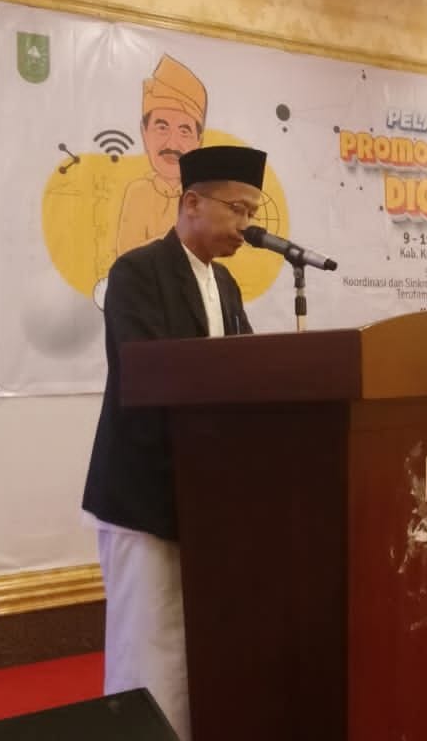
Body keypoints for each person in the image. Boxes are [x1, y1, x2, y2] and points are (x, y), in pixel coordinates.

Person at [82, 144, 266, 739]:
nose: (246, 225)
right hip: (145, 489)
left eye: (252, 212)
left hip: (205, 494)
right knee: (149, 643)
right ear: (191, 202)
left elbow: (247, 372)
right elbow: (148, 373)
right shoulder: (137, 273)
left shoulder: (226, 284)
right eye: (237, 209)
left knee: (196, 642)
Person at [115, 55, 208, 257]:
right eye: (162, 127)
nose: (172, 144)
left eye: (184, 131)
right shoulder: (138, 193)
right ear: (144, 133)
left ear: (199, 140)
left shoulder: (206, 200)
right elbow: (127, 260)